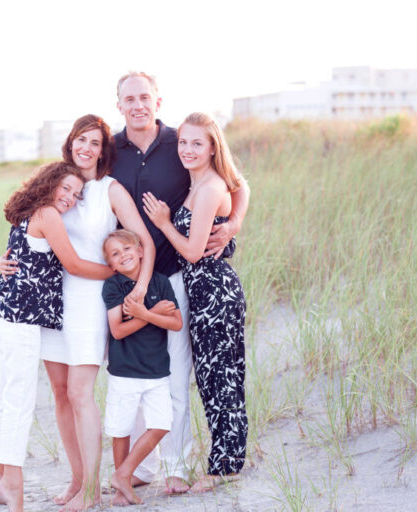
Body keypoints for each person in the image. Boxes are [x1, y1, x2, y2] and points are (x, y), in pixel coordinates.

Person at [0, 114, 155, 511]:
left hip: (89, 301)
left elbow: (145, 243)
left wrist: (136, 287)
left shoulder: (109, 190)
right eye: (81, 140)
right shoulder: (60, 187)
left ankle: (91, 493)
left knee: (82, 394)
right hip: (51, 301)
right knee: (61, 394)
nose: (87, 148)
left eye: (95, 143)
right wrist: (4, 261)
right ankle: (77, 479)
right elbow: (30, 235)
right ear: (71, 143)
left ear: (104, 150)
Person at [111, 71, 250, 493]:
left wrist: (234, 225)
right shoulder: (109, 149)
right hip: (135, 283)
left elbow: (238, 185)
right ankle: (144, 467)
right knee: (136, 377)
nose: (137, 104)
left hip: (180, 279)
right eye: (128, 98)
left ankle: (180, 465)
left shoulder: (180, 141)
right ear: (118, 104)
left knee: (184, 376)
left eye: (144, 97)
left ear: (157, 101)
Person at [0, 161, 114, 512]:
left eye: (76, 193)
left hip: (1, 316)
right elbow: (73, 265)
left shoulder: (27, 212)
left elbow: (20, 258)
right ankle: (14, 489)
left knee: (5, 396)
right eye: (65, 189)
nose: (70, 197)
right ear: (49, 184)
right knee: (19, 403)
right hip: (19, 320)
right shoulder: (49, 216)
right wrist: (118, 272)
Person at [142, 112, 248, 492]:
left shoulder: (208, 189)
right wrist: (235, 221)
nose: (187, 149)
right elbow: (243, 186)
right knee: (211, 378)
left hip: (214, 292)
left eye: (196, 143)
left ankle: (226, 468)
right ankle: (226, 460)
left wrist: (165, 222)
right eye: (183, 142)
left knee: (222, 379)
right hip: (201, 292)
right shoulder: (201, 182)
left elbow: (191, 252)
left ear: (212, 147)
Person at [100, 229, 183, 506]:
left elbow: (177, 323)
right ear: (111, 265)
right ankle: (122, 489)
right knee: (120, 428)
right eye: (115, 254)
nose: (122, 255)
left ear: (141, 252)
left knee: (161, 425)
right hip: (124, 371)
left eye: (126, 249)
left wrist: (145, 313)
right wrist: (154, 314)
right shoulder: (113, 286)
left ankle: (122, 473)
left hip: (157, 370)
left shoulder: (160, 282)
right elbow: (118, 330)